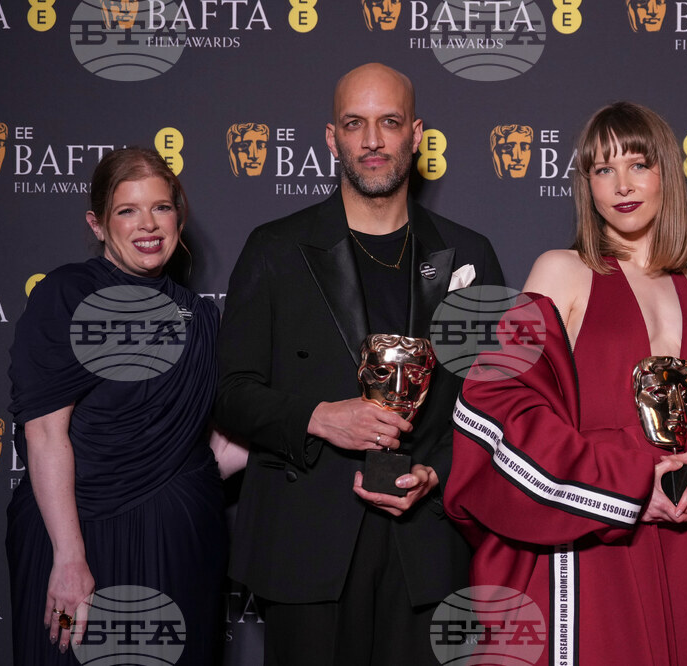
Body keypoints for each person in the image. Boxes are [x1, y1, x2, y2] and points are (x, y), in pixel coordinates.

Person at [445, 101, 687, 665]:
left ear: (667, 172)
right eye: (603, 169)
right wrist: (627, 487)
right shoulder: (562, 270)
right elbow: (502, 402)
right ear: (587, 184)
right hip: (595, 529)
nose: (622, 184)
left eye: (638, 164)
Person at [214, 62, 504, 666]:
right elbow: (230, 392)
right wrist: (318, 417)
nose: (372, 140)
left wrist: (437, 475)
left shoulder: (469, 254)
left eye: (389, 122)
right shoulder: (275, 248)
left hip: (428, 546)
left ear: (416, 135)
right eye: (354, 123)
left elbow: (493, 404)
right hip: (308, 541)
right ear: (332, 137)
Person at [5, 147, 229, 664]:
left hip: (175, 545)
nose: (148, 224)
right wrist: (69, 559)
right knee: (65, 649)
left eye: (161, 207)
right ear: (98, 224)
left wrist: (307, 425)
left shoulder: (200, 318)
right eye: (128, 210)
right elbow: (45, 434)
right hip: (77, 541)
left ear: (178, 218)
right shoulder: (67, 294)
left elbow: (209, 447)